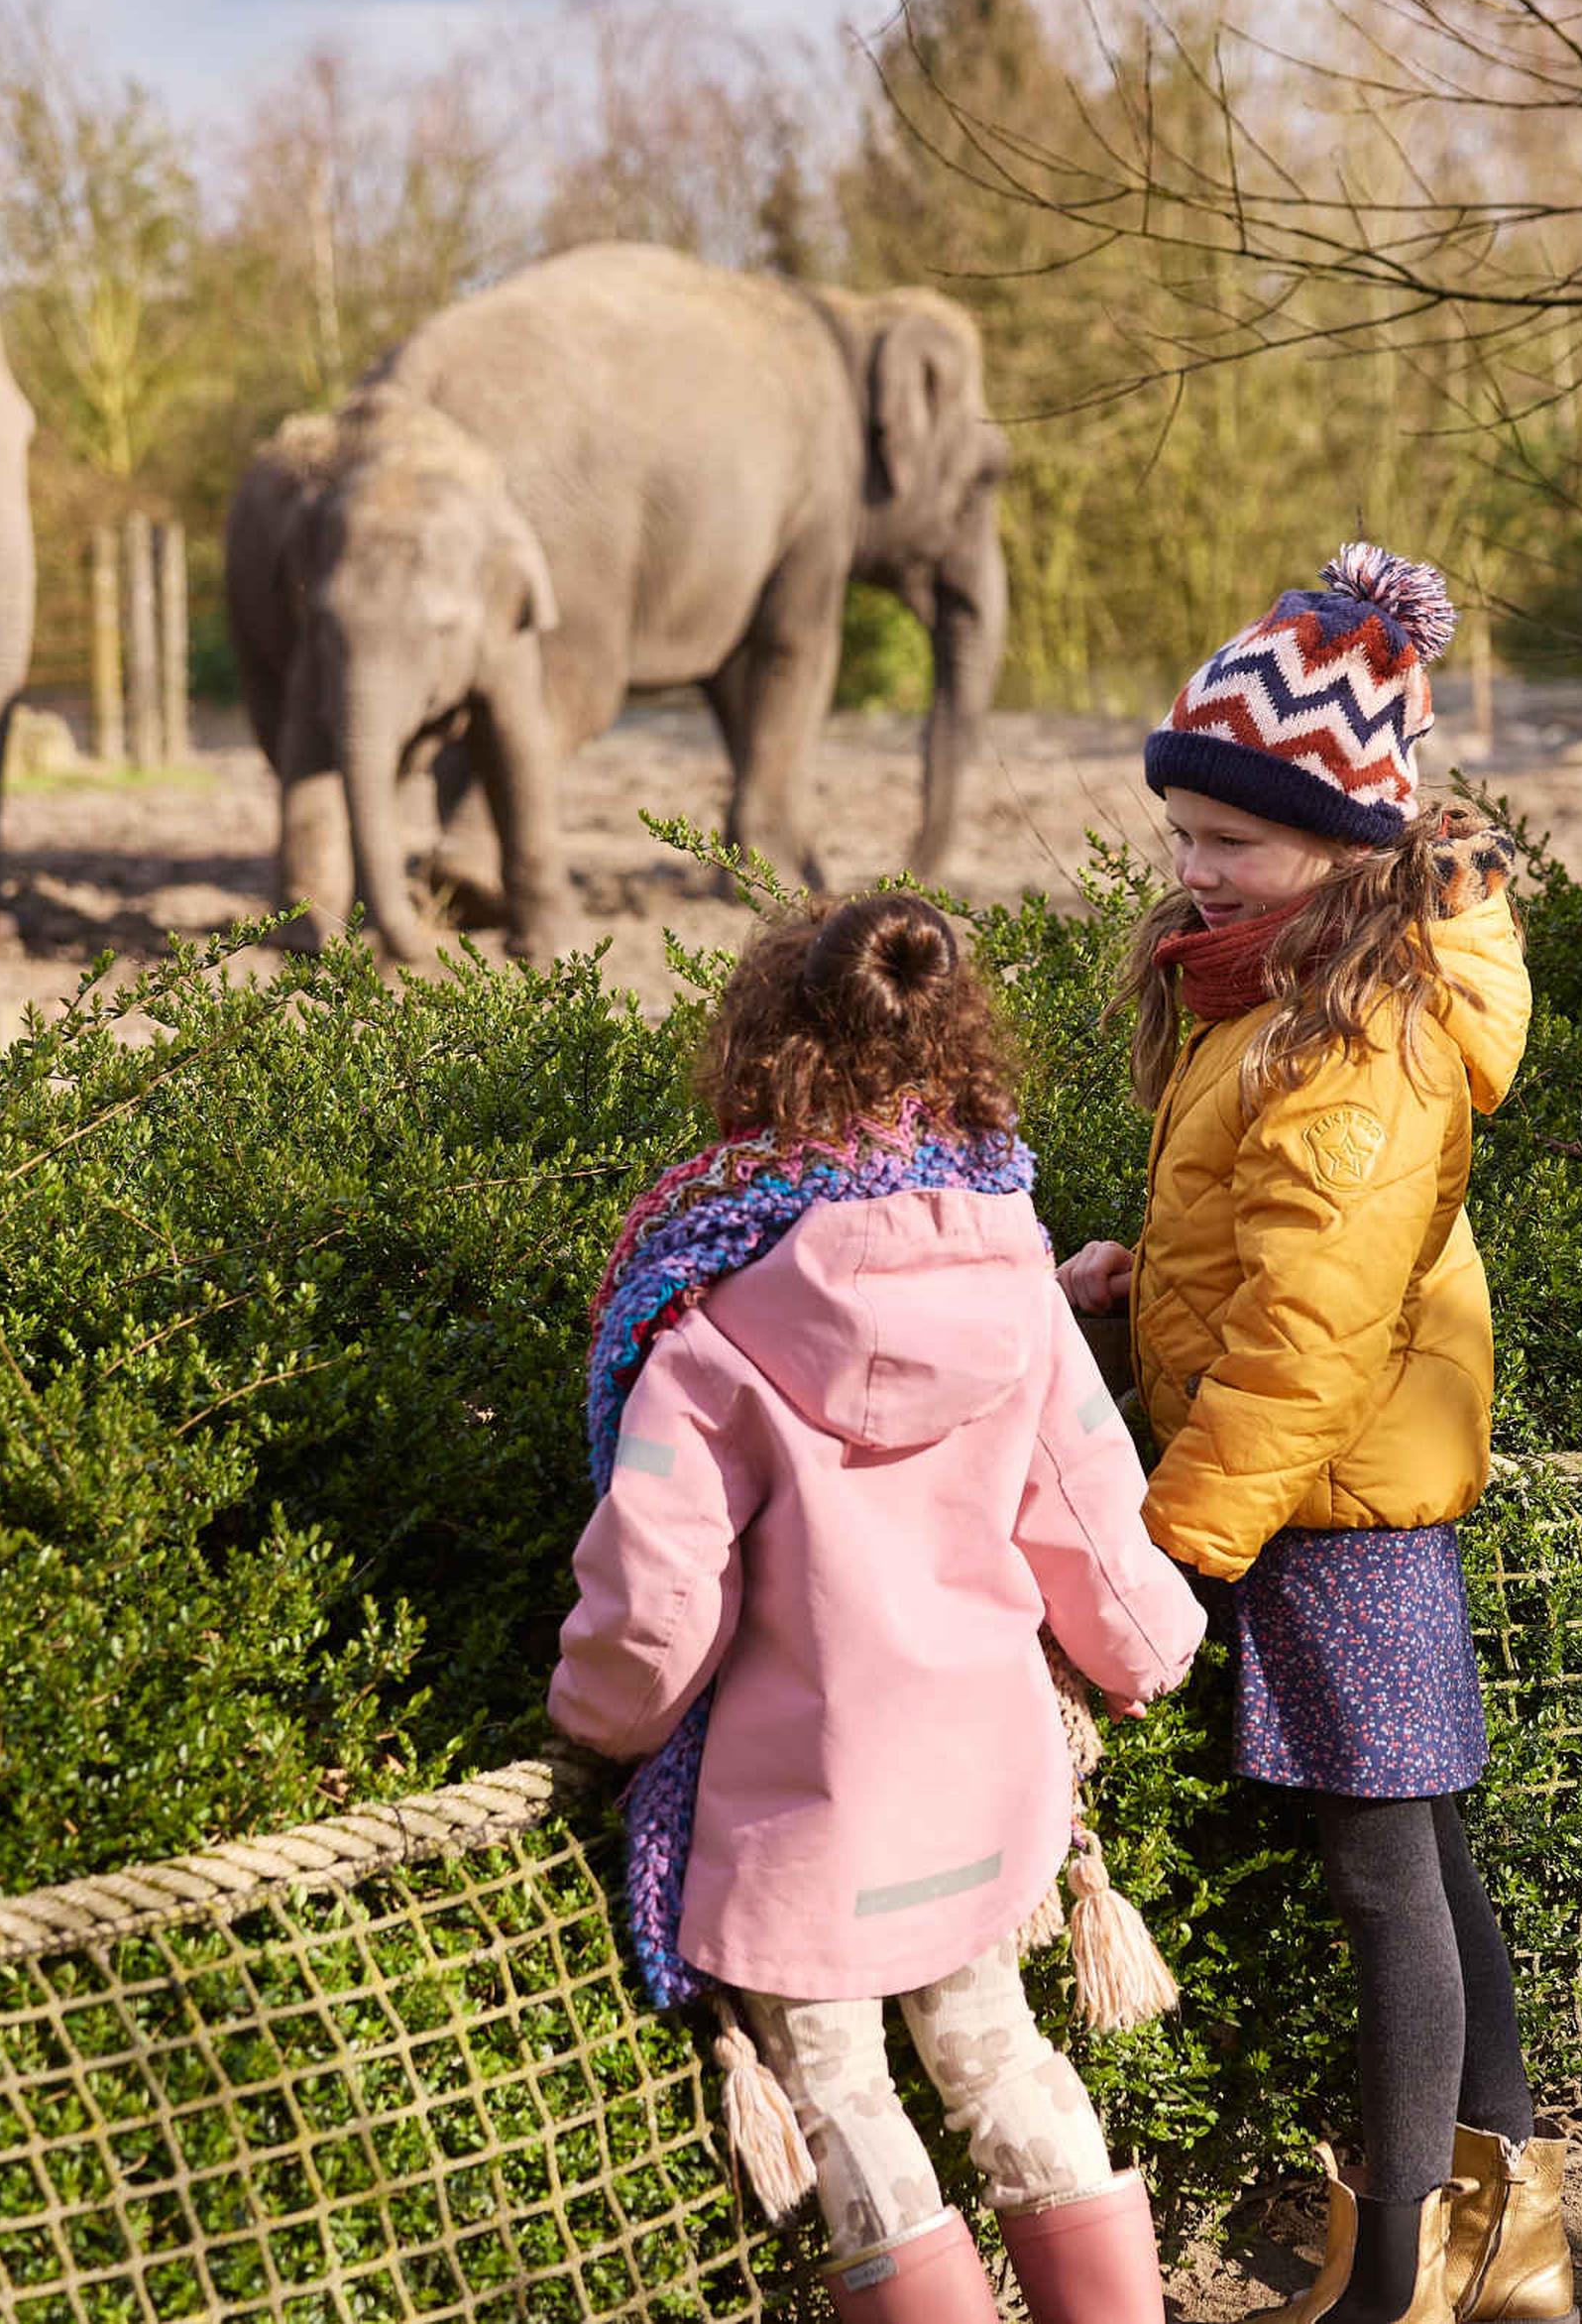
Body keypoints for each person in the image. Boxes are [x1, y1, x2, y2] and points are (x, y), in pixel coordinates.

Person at [549, 891, 1208, 2324]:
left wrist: (597, 1724)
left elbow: (655, 1602)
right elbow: (1087, 1509)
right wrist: (1149, 1648)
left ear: (754, 1066)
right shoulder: (1014, 1276)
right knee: (1007, 2057)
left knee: (842, 2097)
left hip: (803, 1818)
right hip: (981, 1791)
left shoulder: (709, 1327)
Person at [1055, 543, 1574, 2324]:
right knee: (1420, 1851)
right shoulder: (1277, 988)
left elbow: (1318, 1328)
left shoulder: (1350, 1036)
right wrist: (1146, 1284)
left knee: (1384, 1877)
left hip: (1331, 1506)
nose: (1192, 869)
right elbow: (1260, 1250)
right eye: (1182, 829)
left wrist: (1174, 1535)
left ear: (1346, 844)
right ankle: (1515, 2240)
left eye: (1232, 841)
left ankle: (1408, 2270)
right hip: (1330, 1492)